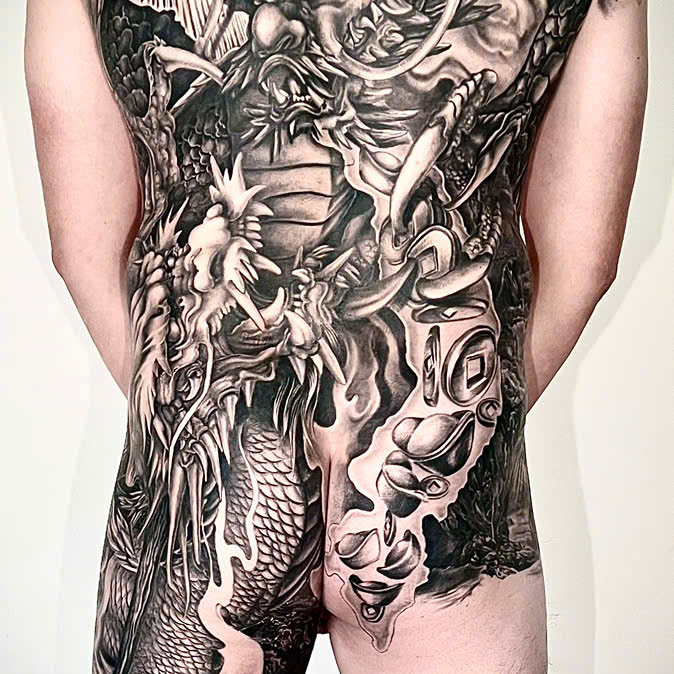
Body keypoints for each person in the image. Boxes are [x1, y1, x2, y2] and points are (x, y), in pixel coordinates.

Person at [25, 1, 647, 672]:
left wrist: (187, 411)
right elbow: (584, 263)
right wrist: (465, 419)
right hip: (428, 505)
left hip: (208, 500)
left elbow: (83, 251)